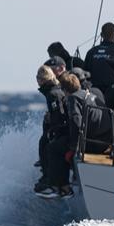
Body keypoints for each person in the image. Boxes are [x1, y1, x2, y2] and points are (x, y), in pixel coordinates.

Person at [35, 65, 67, 193]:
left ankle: (51, 181)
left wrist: (53, 130)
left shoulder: (52, 93)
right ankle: (45, 173)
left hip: (63, 129)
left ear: (42, 79)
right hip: (61, 126)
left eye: (38, 77)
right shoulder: (52, 90)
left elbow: (59, 115)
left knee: (47, 144)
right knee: (43, 141)